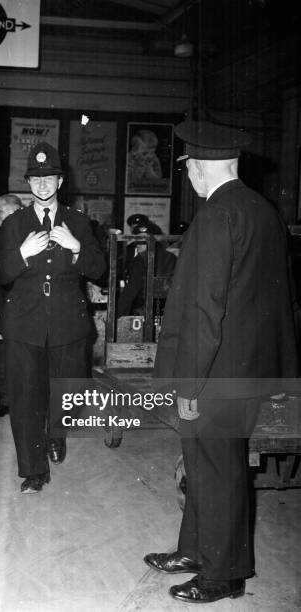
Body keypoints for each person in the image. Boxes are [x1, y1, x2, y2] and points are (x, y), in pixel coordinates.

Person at [144, 121, 299, 603]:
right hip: (246, 367)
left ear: (199, 166)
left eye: (187, 165)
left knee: (219, 469)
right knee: (204, 463)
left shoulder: (215, 215)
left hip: (214, 373)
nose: (187, 173)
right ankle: (196, 549)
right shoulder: (263, 210)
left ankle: (225, 573)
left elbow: (202, 309)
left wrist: (188, 385)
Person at [0, 142, 105, 493]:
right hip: (24, 323)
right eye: (36, 178)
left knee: (69, 392)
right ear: (28, 182)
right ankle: (33, 469)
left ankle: (57, 432)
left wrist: (76, 248)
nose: (42, 185)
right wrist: (22, 254)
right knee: (25, 399)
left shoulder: (80, 223)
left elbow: (100, 270)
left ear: (60, 181)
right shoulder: (13, 224)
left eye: (49, 177)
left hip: (68, 322)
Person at [0, 193, 23, 417]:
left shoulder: (33, 235)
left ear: (13, 211)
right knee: (3, 353)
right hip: (3, 303)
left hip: (28, 305)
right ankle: (6, 401)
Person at [116, 220, 177, 318]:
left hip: (146, 313)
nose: (139, 243)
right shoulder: (170, 257)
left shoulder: (141, 260)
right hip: (169, 314)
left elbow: (130, 291)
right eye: (138, 238)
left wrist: (115, 314)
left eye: (143, 239)